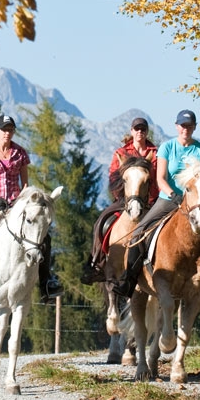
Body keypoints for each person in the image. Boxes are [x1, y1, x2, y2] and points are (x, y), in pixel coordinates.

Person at [111, 109, 200, 309]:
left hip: (195, 204)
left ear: (194, 127)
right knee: (138, 234)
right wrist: (175, 196)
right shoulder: (167, 147)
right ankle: (128, 281)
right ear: (177, 127)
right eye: (183, 125)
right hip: (168, 199)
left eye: (189, 125)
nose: (186, 129)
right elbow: (160, 179)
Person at [0, 114, 64, 304]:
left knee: (44, 238)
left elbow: (25, 184)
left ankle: (46, 282)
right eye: (4, 129)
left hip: (16, 208)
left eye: (10, 130)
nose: (7, 133)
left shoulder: (20, 153)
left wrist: (20, 202)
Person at [80, 117, 158, 284]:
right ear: (132, 131)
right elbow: (114, 179)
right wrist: (123, 198)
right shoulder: (121, 153)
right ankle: (96, 263)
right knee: (101, 222)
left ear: (146, 132)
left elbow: (159, 178)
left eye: (143, 129)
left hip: (150, 201)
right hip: (126, 200)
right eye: (137, 129)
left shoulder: (156, 153)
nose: (140, 132)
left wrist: (152, 198)